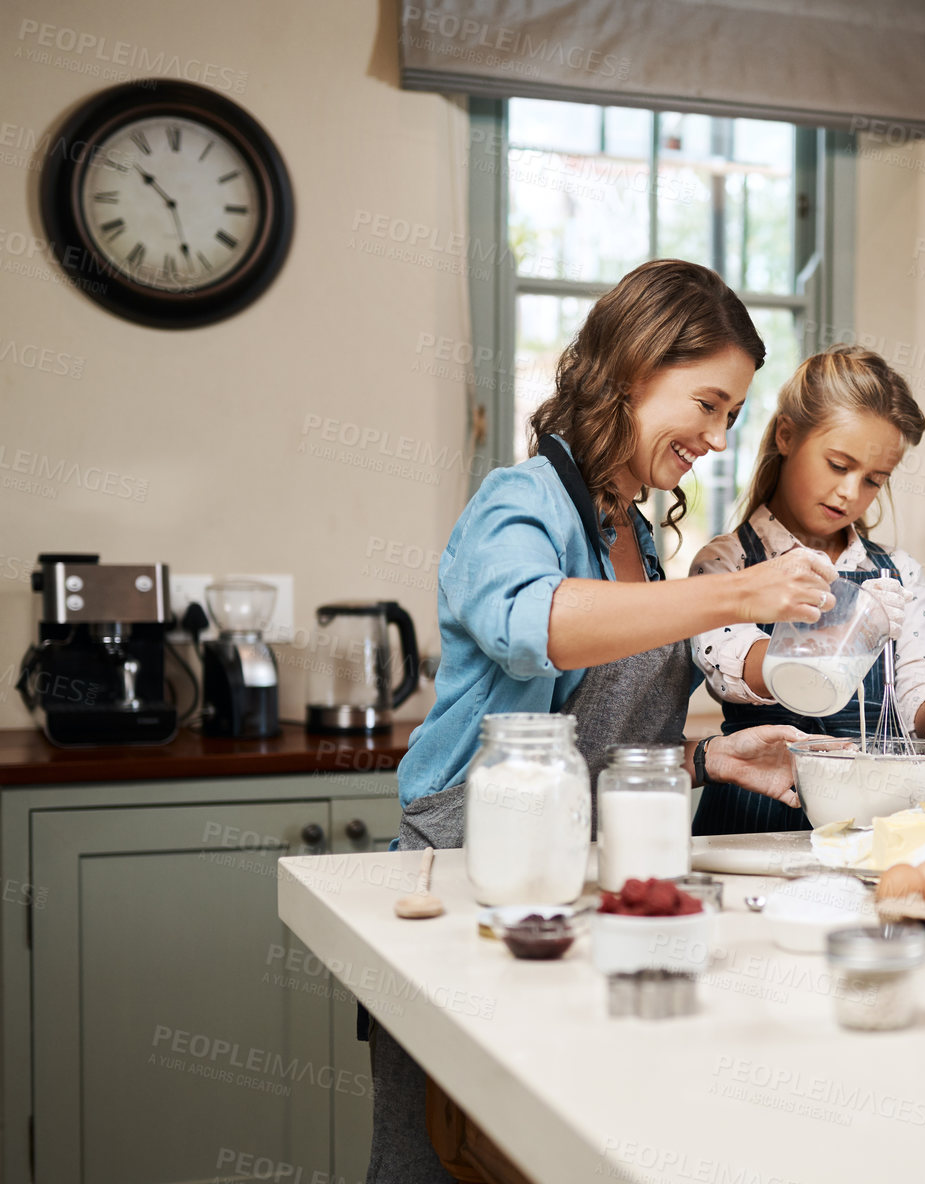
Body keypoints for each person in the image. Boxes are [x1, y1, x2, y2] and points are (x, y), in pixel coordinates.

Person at [369, 260, 837, 1182]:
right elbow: (532, 626)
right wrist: (735, 594)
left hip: (577, 894)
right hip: (469, 879)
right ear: (630, 370)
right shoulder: (518, 502)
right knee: (434, 1159)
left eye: (732, 415)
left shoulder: (635, 539)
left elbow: (602, 748)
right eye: (705, 404)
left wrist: (706, 759)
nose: (716, 436)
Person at [689, 345, 925, 835]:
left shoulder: (898, 572)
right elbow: (731, 666)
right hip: (755, 816)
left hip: (869, 819)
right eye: (838, 465)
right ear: (786, 435)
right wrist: (851, 623)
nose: (851, 492)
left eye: (874, 480)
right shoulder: (726, 563)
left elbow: (921, 677)